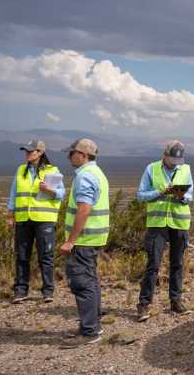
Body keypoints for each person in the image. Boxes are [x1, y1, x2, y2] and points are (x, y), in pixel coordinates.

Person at [58, 138, 109, 346]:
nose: (69, 156)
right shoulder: (97, 173)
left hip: (84, 239)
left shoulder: (85, 176)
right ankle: (93, 324)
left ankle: (89, 331)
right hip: (94, 237)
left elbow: (84, 209)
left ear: (83, 155)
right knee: (90, 281)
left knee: (82, 283)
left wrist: (71, 241)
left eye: (72, 153)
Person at [135, 140, 194, 321]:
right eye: (172, 160)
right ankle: (144, 304)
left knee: (177, 264)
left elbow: (191, 196)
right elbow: (140, 195)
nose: (175, 164)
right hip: (157, 224)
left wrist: (182, 196)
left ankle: (176, 301)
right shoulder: (151, 169)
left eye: (178, 161)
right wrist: (160, 191)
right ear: (164, 155)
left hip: (179, 223)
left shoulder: (186, 169)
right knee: (153, 264)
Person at [7, 140, 64, 304]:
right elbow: (13, 194)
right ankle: (20, 291)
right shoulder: (20, 170)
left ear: (40, 152)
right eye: (26, 150)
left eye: (30, 151)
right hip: (23, 219)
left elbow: (61, 193)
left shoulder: (52, 171)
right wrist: (10, 215)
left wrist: (49, 190)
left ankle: (47, 291)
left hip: (44, 220)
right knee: (22, 256)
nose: (27, 153)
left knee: (45, 256)